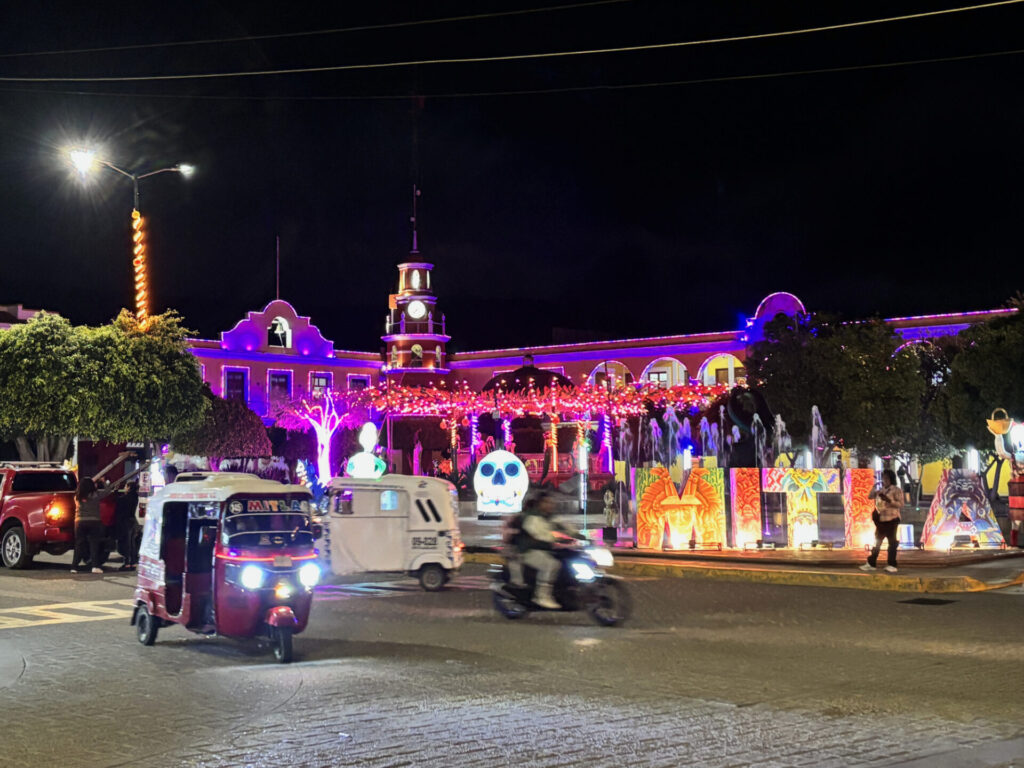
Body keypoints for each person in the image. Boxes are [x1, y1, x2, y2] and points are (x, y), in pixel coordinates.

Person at [71, 454, 142, 575]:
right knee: (94, 544)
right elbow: (108, 491)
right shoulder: (95, 496)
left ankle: (74, 567)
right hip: (94, 522)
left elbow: (81, 493)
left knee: (79, 544)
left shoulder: (77, 497)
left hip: (79, 522)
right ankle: (95, 566)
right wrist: (104, 482)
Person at [512, 491, 583, 609]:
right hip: (528, 551)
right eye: (547, 502)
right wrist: (557, 542)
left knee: (567, 560)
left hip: (544, 548)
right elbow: (540, 537)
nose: (551, 505)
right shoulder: (532, 518)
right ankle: (542, 596)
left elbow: (566, 528)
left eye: (552, 502)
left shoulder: (550, 517)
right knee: (551, 565)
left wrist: (583, 537)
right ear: (539, 504)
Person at [861, 469, 905, 574]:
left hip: (892, 519)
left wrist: (889, 500)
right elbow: (870, 496)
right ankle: (871, 563)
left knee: (892, 542)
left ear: (891, 479)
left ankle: (892, 564)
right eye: (884, 478)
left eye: (887, 478)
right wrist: (874, 487)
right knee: (877, 541)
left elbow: (901, 504)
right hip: (881, 520)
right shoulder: (881, 490)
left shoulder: (896, 490)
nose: (885, 480)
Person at [114, 481, 140, 571]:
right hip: (132, 521)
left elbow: (118, 501)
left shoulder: (126, 498)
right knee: (132, 543)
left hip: (126, 522)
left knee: (127, 543)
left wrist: (115, 491)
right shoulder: (135, 497)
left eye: (125, 486)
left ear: (129, 487)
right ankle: (133, 563)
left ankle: (127, 563)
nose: (124, 488)